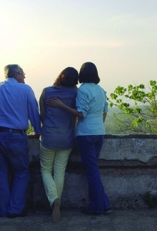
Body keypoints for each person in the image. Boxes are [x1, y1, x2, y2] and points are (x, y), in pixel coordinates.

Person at [47, 62, 111, 215]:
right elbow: (105, 110)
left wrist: (61, 105)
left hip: (86, 134)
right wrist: (97, 126)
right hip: (98, 133)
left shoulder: (82, 90)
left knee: (91, 171)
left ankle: (97, 207)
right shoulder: (101, 90)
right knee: (93, 169)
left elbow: (81, 114)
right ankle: (104, 205)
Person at [0, 64, 41, 218]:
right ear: (16, 75)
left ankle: (3, 210)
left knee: (0, 174)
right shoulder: (26, 89)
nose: (24, 77)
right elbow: (34, 112)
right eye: (23, 74)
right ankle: (14, 209)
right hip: (15, 136)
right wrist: (38, 131)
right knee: (21, 173)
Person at [38, 67, 79, 223]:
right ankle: (57, 203)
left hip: (48, 137)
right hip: (67, 138)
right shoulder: (75, 93)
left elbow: (41, 115)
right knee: (60, 171)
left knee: (46, 170)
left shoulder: (46, 92)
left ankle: (54, 199)